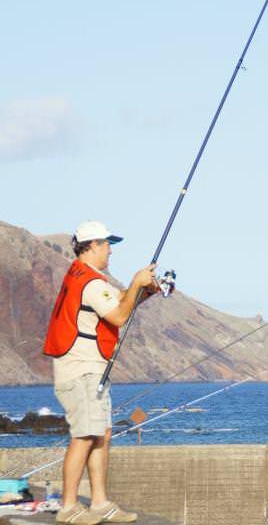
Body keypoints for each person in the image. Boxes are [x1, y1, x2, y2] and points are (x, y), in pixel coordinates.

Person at [43, 221, 159, 524]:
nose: (110, 251)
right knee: (84, 435)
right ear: (92, 245)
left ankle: (99, 503)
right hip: (82, 370)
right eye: (107, 244)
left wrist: (142, 293)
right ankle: (68, 507)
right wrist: (135, 283)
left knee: (101, 434)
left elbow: (117, 302)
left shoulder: (84, 277)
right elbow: (119, 316)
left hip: (86, 369)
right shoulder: (91, 283)